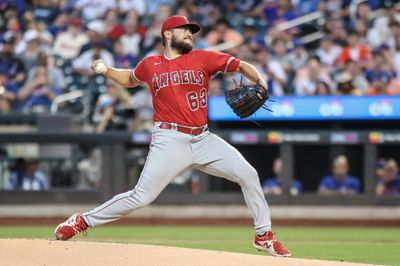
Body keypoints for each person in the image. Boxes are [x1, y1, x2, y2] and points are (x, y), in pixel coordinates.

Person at [54, 15, 291, 257]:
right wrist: (106, 70)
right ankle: (81, 221)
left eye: (191, 31)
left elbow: (240, 65)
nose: (190, 33)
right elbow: (129, 78)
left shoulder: (204, 58)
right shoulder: (151, 64)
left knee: (248, 174)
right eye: (184, 30)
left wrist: (261, 81)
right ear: (168, 34)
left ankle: (264, 235)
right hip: (169, 140)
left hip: (203, 138)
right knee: (140, 198)